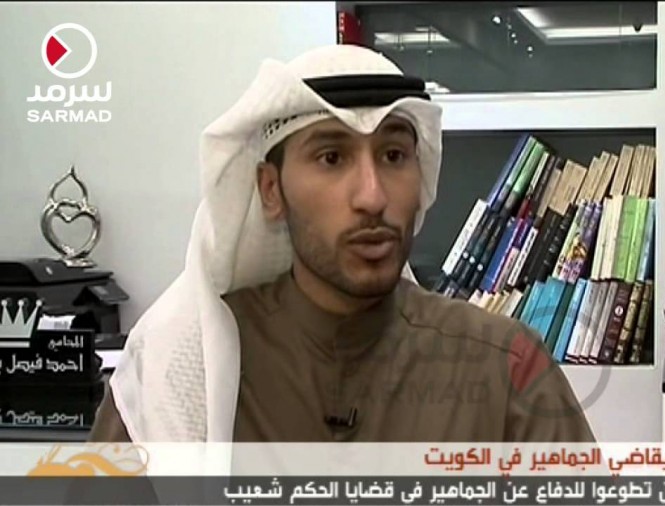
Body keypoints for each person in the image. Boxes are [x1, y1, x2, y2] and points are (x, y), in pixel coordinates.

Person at [88, 44, 595, 443]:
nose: (372, 197)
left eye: (393, 156)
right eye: (332, 158)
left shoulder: (507, 369)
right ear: (271, 190)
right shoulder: (174, 368)